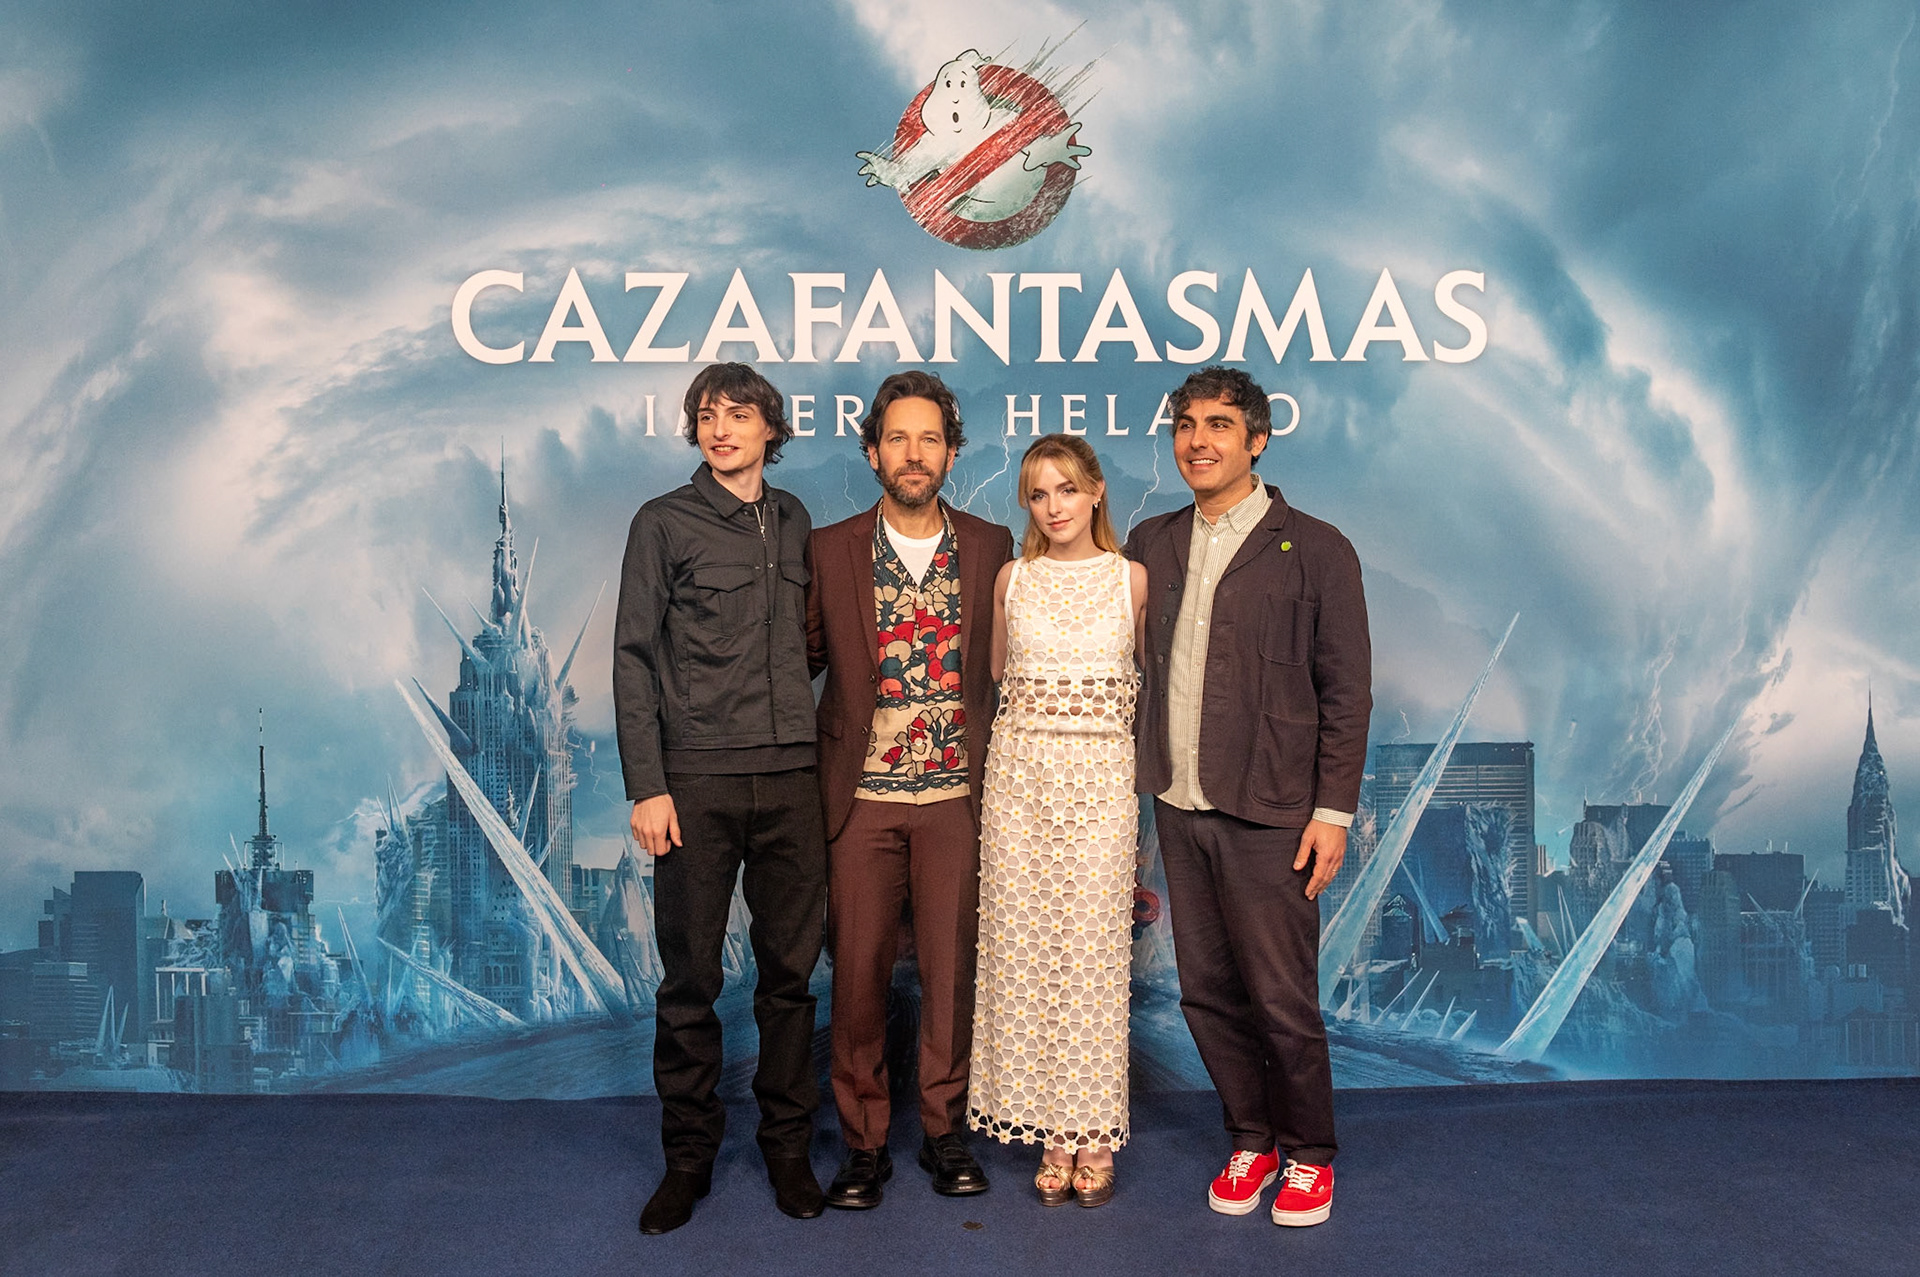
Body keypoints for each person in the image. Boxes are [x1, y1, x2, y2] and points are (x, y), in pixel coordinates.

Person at [1125, 367, 1371, 1228]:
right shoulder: (1150, 542)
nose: (1198, 440)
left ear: (1257, 439)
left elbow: (1345, 692)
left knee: (1281, 996)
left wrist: (1332, 812)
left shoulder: (1318, 546)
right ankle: (1251, 1136)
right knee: (1204, 990)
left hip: (1272, 811)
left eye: (1220, 425)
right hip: (1178, 806)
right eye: (1186, 425)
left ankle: (1308, 1154)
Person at [614, 362, 827, 1235]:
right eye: (707, 415)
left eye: (738, 414)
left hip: (791, 780)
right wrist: (648, 785)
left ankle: (786, 1150)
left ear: (771, 429)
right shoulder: (662, 523)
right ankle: (688, 1161)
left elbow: (808, 647)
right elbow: (631, 657)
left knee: (789, 980)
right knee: (691, 981)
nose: (720, 428)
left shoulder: (796, 519)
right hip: (694, 782)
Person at [806, 371, 1013, 1209]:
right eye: (898, 437)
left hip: (958, 799)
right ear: (871, 451)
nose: (914, 453)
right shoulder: (829, 548)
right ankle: (862, 1144)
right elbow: (801, 665)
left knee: (952, 972)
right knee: (855, 975)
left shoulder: (994, 545)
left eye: (930, 438)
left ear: (952, 452)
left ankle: (943, 1130)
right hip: (860, 800)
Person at [968, 435, 1149, 1209]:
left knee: (1093, 958)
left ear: (1097, 492)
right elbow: (1000, 677)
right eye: (1039, 494)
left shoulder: (1132, 580)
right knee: (1027, 954)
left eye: (1068, 489)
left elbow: (1148, 681)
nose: (1055, 506)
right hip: (1020, 788)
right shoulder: (1013, 578)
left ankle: (1093, 1132)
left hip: (1103, 787)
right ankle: (1050, 1131)